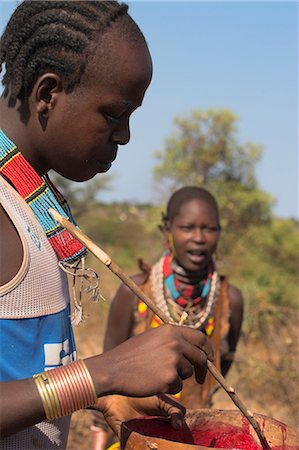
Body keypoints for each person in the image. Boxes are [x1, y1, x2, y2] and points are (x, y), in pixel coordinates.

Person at [0, 2, 214, 449]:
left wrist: (104, 395)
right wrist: (101, 374)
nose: (125, 136)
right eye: (115, 113)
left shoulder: (33, 199)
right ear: (47, 93)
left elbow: (23, 370)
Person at [91, 186, 244, 449]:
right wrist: (99, 436)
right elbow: (106, 375)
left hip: (198, 438)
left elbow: (221, 370)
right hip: (137, 435)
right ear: (167, 231)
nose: (198, 238)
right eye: (187, 227)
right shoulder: (134, 292)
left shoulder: (230, 302)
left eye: (209, 228)